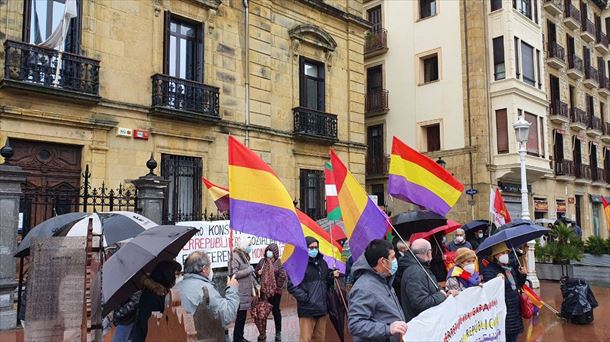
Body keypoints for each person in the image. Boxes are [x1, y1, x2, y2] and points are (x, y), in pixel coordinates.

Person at [348, 239, 407, 342]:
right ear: (383, 261)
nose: (395, 260)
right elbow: (355, 324)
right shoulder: (364, 288)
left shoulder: (383, 279)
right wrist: (388, 329)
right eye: (392, 257)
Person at [287, 236, 339, 342]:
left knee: (320, 338)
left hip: (322, 308)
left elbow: (325, 281)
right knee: (305, 339)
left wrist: (331, 275)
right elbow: (292, 286)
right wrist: (306, 298)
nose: (314, 250)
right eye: (311, 248)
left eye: (316, 247)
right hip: (307, 310)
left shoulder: (323, 263)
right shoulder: (298, 265)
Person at [174, 251, 240, 333]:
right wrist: (232, 289)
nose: (211, 269)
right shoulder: (205, 289)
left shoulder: (174, 288)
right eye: (210, 266)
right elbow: (227, 316)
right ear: (204, 269)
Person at [400, 239, 457, 321]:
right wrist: (442, 295)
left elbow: (431, 288)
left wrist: (445, 293)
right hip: (422, 324)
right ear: (428, 253)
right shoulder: (415, 272)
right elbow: (421, 303)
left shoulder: (421, 267)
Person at [480, 242, 528, 342]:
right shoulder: (489, 270)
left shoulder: (509, 268)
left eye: (506, 252)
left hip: (514, 309)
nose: (505, 255)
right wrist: (496, 281)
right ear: (495, 256)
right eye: (501, 253)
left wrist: (522, 275)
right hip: (503, 311)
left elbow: (518, 285)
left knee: (513, 337)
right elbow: (491, 291)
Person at [130, 260, 182, 341]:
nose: (179, 277)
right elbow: (149, 326)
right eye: (176, 274)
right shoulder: (151, 296)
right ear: (167, 274)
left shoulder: (162, 292)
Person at [255, 243, 287, 342]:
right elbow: (256, 272)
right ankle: (262, 333)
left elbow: (283, 276)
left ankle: (278, 333)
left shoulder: (279, 263)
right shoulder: (262, 262)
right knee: (262, 313)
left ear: (275, 253)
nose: (269, 252)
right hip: (264, 292)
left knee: (276, 311)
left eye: (271, 251)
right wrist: (258, 273)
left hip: (275, 293)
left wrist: (276, 287)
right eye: (268, 250)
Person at [230, 237, 257, 342]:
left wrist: (256, 284)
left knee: (243, 317)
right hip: (239, 292)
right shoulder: (235, 256)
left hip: (245, 292)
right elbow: (234, 274)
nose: (250, 247)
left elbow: (250, 274)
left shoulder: (244, 256)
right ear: (244, 245)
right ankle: (237, 339)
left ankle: (240, 337)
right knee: (240, 317)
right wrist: (248, 269)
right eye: (249, 244)